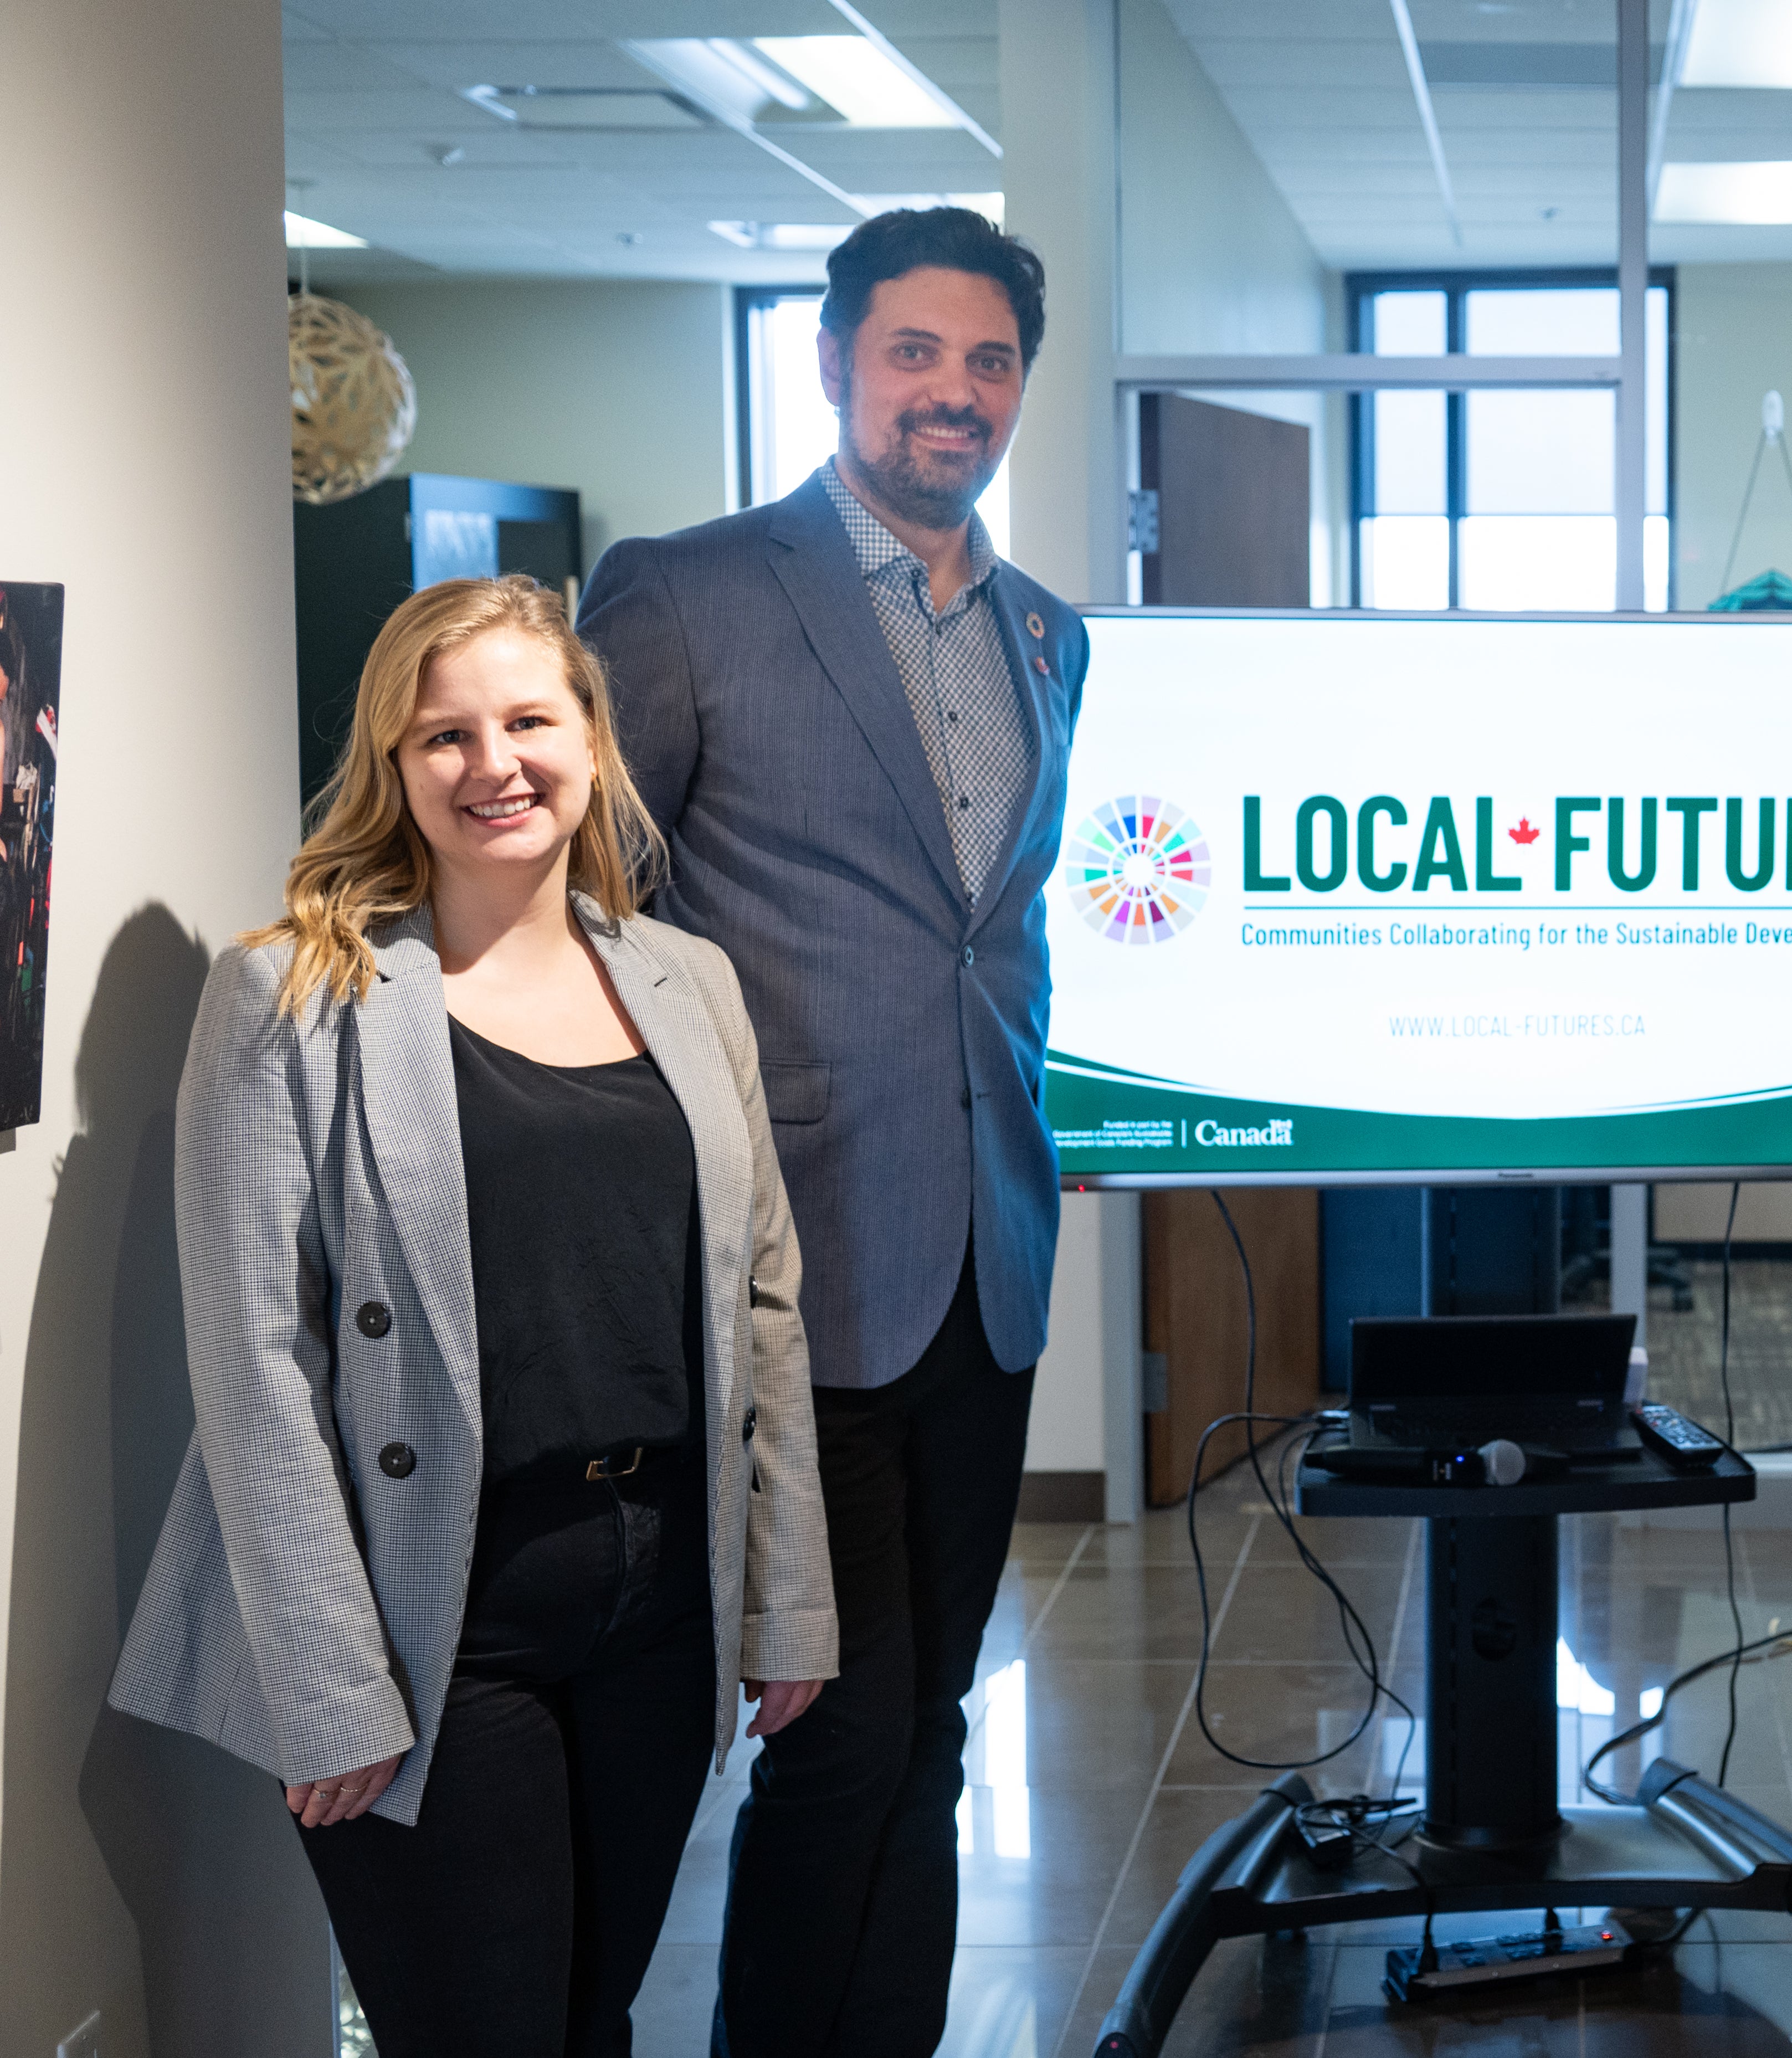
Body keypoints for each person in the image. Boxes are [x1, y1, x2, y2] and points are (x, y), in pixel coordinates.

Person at [105, 575, 835, 2055]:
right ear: (393, 763)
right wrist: (328, 1687)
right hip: (431, 1614)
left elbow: (763, 1310)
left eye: (526, 719)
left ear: (590, 737)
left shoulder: (689, 982)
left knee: (590, 2020)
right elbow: (255, 1361)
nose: (492, 764)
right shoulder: (291, 994)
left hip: (653, 1596)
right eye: (443, 735)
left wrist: (786, 1594)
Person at [576, 204, 1086, 2054]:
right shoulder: (691, 592)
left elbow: (985, 933)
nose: (954, 393)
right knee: (838, 1726)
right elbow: (588, 916)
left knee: (933, 1727)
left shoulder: (1048, 630)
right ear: (834, 364)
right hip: (788, 1255)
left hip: (986, 1259)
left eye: (990, 360)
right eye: (915, 353)